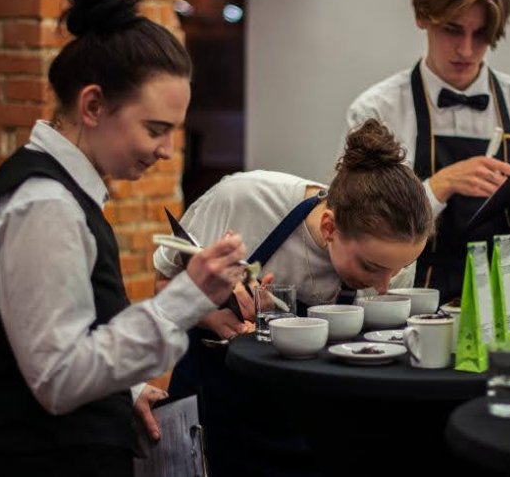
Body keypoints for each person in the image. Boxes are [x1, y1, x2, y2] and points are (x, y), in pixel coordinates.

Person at [0, 0, 247, 477]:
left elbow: (70, 335)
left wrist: (126, 389)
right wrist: (184, 299)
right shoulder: (42, 205)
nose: (165, 151)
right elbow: (57, 379)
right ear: (93, 105)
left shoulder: (66, 193)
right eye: (155, 129)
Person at [153, 118, 434, 475]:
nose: (384, 285)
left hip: (317, 434)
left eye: (398, 269)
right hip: (220, 418)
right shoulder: (243, 201)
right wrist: (209, 311)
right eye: (371, 267)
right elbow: (162, 287)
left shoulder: (390, 257)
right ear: (330, 226)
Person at [346, 0, 510, 303]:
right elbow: (359, 236)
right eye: (452, 29)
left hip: (506, 308)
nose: (466, 50)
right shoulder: (377, 110)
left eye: (480, 34)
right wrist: (439, 186)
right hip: (408, 308)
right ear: (422, 16)